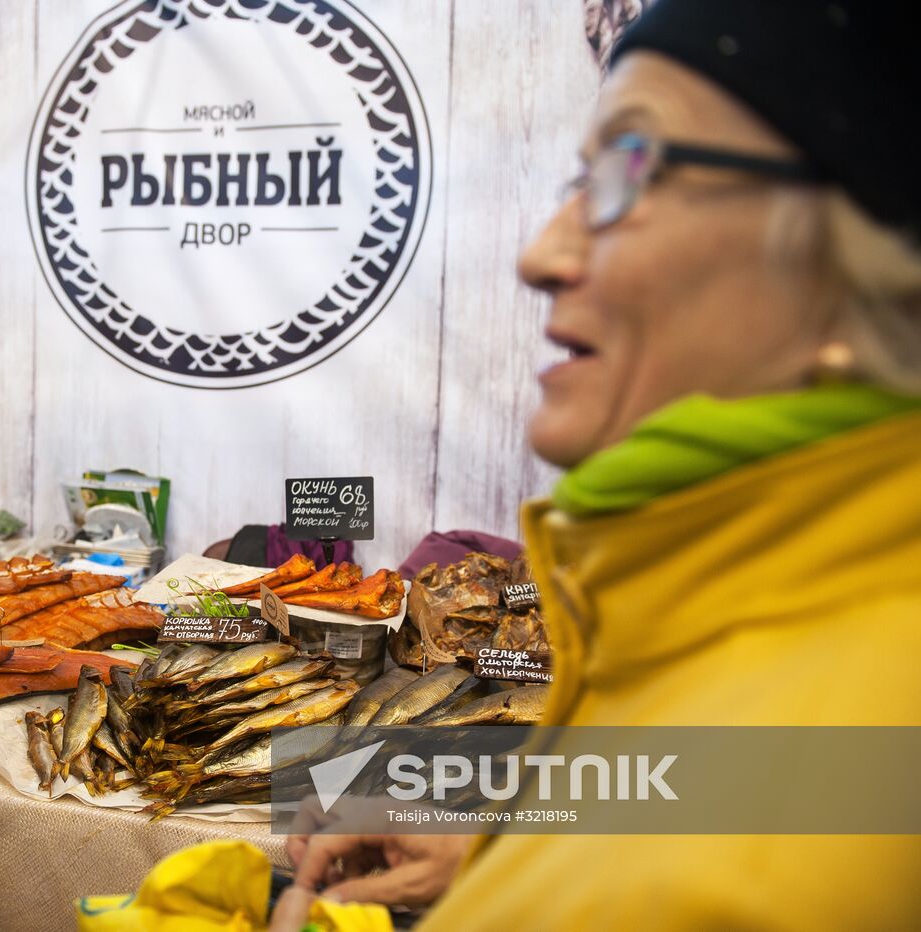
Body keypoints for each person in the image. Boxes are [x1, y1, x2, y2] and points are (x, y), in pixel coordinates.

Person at [282, 1, 920, 928]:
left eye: (631, 171)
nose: (542, 254)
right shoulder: (751, 607)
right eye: (577, 181)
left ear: (853, 258)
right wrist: (506, 848)